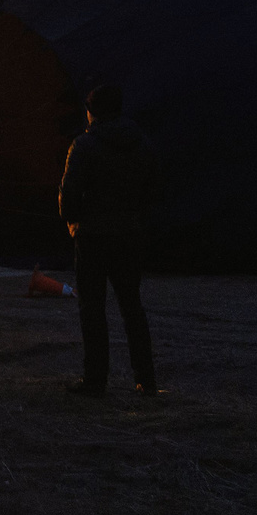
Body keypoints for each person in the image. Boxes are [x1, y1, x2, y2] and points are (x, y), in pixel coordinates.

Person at [59, 84, 158, 397]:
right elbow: (153, 191)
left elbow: (69, 198)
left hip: (92, 238)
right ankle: (146, 380)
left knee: (92, 310)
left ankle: (95, 381)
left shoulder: (84, 146)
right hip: (129, 235)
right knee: (132, 308)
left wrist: (74, 220)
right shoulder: (142, 144)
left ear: (91, 112)